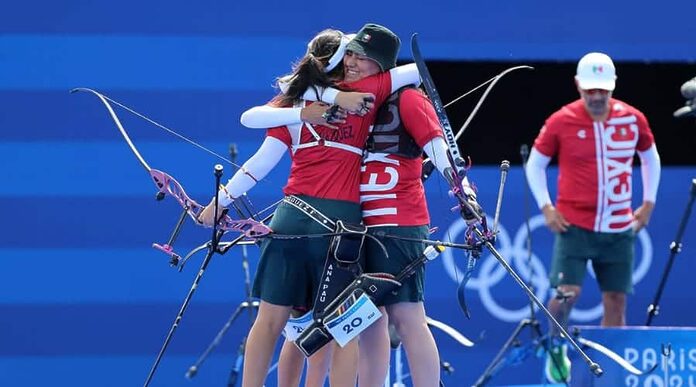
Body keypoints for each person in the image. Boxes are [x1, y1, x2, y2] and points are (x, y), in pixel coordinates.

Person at [240, 37, 481, 387]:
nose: (351, 61)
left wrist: (465, 191)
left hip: (398, 224)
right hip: (355, 229)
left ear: (382, 65)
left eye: (362, 57)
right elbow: (263, 110)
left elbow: (439, 147)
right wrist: (321, 101)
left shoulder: (407, 97)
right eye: (349, 54)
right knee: (365, 319)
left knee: (407, 317)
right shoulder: (335, 94)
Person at [200, 24, 420, 387]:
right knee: (343, 328)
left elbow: (257, 163)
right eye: (349, 54)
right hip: (341, 226)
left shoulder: (296, 103)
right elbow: (415, 71)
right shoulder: (365, 94)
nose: (354, 62)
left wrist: (219, 202)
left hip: (292, 216)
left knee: (269, 321)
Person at [524, 52, 661, 383]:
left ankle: (605, 371)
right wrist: (547, 207)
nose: (597, 97)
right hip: (574, 227)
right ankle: (556, 347)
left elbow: (650, 158)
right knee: (565, 294)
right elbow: (535, 165)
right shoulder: (561, 120)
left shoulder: (633, 119)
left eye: (603, 90)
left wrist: (648, 204)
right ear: (578, 86)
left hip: (618, 228)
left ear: (612, 87)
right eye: (590, 90)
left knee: (616, 301)